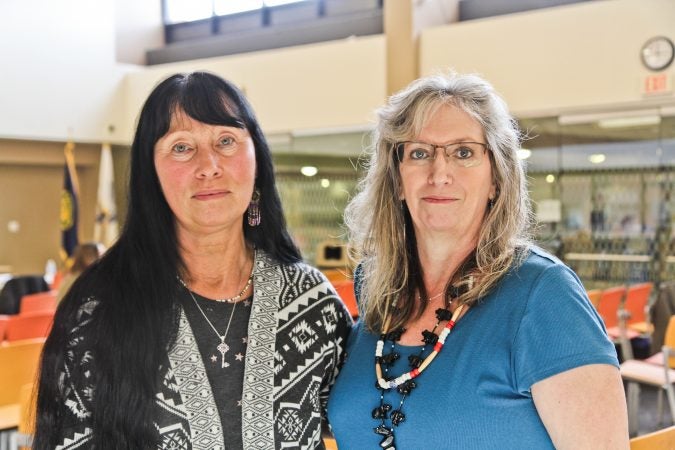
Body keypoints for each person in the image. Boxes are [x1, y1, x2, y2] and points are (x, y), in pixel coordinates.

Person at [35, 71, 352, 449]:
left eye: (226, 141)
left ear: (258, 158)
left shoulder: (309, 299)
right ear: (150, 172)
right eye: (181, 147)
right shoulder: (98, 311)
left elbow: (365, 420)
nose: (209, 166)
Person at [327, 73, 628, 449]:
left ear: (496, 179)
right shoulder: (374, 286)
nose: (440, 173)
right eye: (419, 152)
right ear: (398, 180)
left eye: (464, 152)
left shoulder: (544, 296)